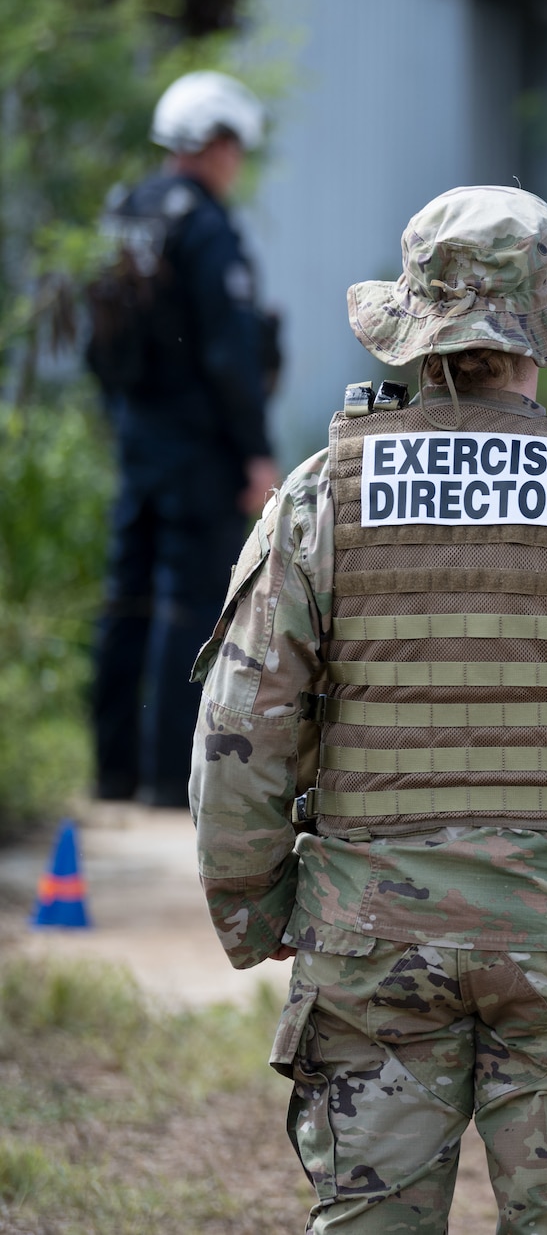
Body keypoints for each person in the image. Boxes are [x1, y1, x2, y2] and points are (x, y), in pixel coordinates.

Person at [190, 186, 547, 1230]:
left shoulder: (321, 496)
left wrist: (252, 904)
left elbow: (241, 728)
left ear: (410, 332)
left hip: (370, 927)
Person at [88, 69, 277, 808]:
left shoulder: (128, 213)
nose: (236, 163)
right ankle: (170, 778)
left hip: (138, 434)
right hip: (199, 443)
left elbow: (99, 342)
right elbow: (230, 355)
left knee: (125, 595)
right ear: (213, 143)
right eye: (234, 146)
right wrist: (256, 449)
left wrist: (127, 421)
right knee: (186, 603)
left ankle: (112, 771)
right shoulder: (203, 225)